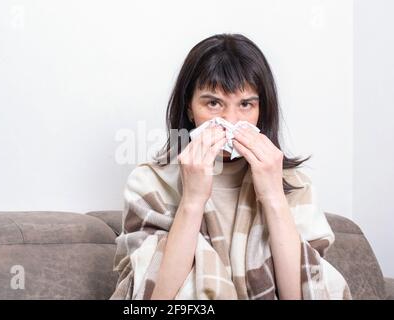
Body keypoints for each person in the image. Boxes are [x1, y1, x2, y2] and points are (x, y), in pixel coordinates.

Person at [110, 33, 352, 300]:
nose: (230, 121)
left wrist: (273, 197)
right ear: (190, 108)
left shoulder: (295, 183)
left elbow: (304, 294)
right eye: (213, 103)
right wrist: (192, 200)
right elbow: (152, 300)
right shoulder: (149, 183)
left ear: (262, 110)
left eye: (246, 104)